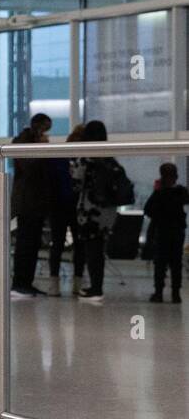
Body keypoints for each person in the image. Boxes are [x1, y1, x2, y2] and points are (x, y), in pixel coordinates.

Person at [72, 120, 126, 301]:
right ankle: (97, 286)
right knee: (99, 249)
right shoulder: (110, 158)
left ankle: (95, 288)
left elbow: (77, 182)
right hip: (108, 212)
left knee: (91, 250)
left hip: (89, 211)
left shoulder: (86, 158)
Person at [10, 114, 55, 298]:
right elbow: (28, 166)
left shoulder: (31, 141)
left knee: (33, 244)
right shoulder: (23, 142)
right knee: (25, 244)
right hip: (27, 202)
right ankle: (20, 283)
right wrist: (43, 149)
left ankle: (27, 282)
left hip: (36, 202)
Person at [45, 123, 85, 296]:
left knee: (57, 244)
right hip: (78, 206)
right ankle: (78, 284)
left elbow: (51, 181)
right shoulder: (84, 158)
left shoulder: (58, 156)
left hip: (58, 206)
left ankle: (54, 284)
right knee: (79, 245)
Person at [143, 163, 187, 304]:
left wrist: (158, 191)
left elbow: (148, 210)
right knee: (176, 263)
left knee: (160, 263)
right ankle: (175, 294)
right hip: (177, 231)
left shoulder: (160, 193)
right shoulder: (181, 192)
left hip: (162, 231)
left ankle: (159, 293)